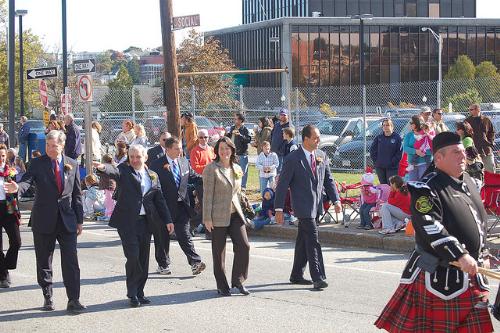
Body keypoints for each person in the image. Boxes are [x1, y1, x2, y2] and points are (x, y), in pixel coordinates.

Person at [375, 131, 494, 332]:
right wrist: (461, 254)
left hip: (471, 276)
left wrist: (484, 253)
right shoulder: (426, 188)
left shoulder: (468, 183)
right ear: (439, 158)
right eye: (456, 153)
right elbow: (429, 225)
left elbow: (478, 223)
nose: (463, 156)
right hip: (440, 277)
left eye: (463, 152)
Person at [4, 130, 86, 313]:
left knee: (71, 261)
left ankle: (74, 299)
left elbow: (77, 195)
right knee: (44, 260)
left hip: (67, 220)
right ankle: (47, 296)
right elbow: (27, 182)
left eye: (53, 145)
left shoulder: (72, 164)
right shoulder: (37, 163)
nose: (49, 148)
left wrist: (79, 220)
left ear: (62, 145)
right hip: (43, 219)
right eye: (47, 145)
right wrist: (17, 188)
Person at [94, 144, 174, 307]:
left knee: (143, 259)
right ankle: (132, 293)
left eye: (138, 157)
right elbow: (113, 171)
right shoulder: (125, 170)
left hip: (146, 222)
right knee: (133, 257)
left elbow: (159, 199)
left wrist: (168, 220)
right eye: (132, 157)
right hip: (127, 222)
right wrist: (102, 168)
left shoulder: (152, 175)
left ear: (145, 157)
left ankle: (140, 292)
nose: (135, 160)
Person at [274, 124, 341, 290]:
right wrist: (279, 209)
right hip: (302, 206)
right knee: (313, 240)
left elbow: (328, 180)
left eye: (318, 137)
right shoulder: (293, 159)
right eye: (315, 138)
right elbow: (282, 185)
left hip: (316, 205)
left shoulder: (321, 156)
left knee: (303, 240)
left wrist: (336, 200)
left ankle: (296, 274)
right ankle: (318, 276)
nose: (318, 140)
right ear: (305, 139)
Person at [150, 137, 206, 276]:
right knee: (162, 237)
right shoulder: (156, 165)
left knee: (184, 234)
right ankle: (163, 264)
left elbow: (194, 177)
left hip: (181, 206)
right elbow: (153, 187)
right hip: (163, 207)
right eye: (177, 148)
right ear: (168, 149)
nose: (180, 150)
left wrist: (209, 178)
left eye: (181, 147)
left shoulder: (184, 162)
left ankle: (195, 262)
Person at [202, 136, 250, 296]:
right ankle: (222, 285)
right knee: (219, 252)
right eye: (221, 148)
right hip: (217, 216)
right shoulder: (211, 169)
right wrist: (207, 218)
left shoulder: (236, 168)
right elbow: (207, 196)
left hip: (235, 213)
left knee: (244, 245)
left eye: (227, 148)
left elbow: (237, 192)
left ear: (232, 149)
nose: (224, 151)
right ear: (217, 151)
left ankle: (238, 281)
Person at [0, 144, 21, 288]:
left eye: (2, 155)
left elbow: (16, 192)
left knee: (16, 241)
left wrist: (17, 211)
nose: (1, 159)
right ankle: (3, 275)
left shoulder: (10, 172)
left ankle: (5, 265)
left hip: (9, 208)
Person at [370, 118, 402, 184]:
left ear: (392, 126)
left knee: (391, 185)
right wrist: (376, 162)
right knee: (383, 186)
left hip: (392, 167)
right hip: (380, 167)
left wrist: (392, 162)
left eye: (387, 125)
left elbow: (399, 153)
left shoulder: (397, 137)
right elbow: (372, 151)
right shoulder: (379, 138)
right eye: (384, 125)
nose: (385, 127)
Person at [466, 103, 496, 173]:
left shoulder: (486, 120)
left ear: (478, 109)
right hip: (473, 150)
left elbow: (492, 132)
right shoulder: (467, 121)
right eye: (469, 110)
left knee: (490, 169)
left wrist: (490, 142)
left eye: (471, 109)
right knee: (475, 171)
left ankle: (492, 184)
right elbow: (464, 134)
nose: (469, 111)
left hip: (486, 149)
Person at [226, 112, 252, 190]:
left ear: (241, 120)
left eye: (236, 119)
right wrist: (229, 133)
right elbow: (228, 138)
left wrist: (240, 135)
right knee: (232, 170)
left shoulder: (245, 129)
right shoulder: (232, 128)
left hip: (242, 154)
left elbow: (248, 140)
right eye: (234, 119)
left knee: (242, 171)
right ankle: (233, 186)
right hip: (233, 153)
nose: (234, 120)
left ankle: (242, 187)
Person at [403, 115, 432, 181]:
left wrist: (423, 152)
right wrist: (416, 151)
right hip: (412, 164)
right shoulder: (409, 135)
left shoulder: (426, 134)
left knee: (422, 184)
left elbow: (431, 148)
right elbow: (405, 148)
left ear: (417, 123)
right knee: (412, 185)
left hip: (424, 163)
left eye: (411, 123)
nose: (410, 124)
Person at [98, 154, 116, 221]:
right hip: (108, 185)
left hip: (109, 185)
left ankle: (110, 215)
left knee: (110, 201)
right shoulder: (111, 166)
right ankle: (107, 214)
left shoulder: (108, 167)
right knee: (107, 201)